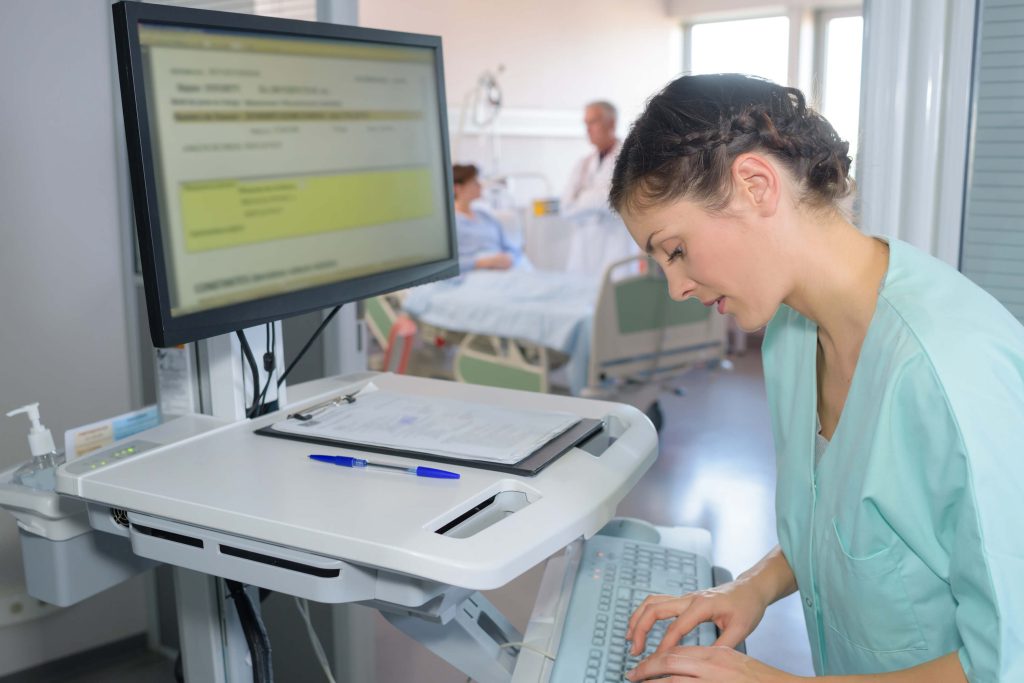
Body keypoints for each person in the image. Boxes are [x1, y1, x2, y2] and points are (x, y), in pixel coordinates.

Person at [608, 73, 1024, 682]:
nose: (677, 288)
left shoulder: (952, 373)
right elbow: (845, 529)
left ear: (755, 185)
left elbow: (1007, 663)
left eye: (675, 250)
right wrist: (752, 586)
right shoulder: (792, 338)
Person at [560, 100, 638, 275]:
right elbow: (566, 208)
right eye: (586, 123)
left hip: (616, 249)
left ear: (611, 123)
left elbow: (621, 204)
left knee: (614, 298)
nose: (587, 129)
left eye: (593, 122)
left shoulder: (630, 159)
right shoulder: (582, 165)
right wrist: (600, 197)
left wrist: (583, 197)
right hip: (583, 252)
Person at [452, 163, 526, 272]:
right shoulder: (450, 224)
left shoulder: (486, 217)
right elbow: (446, 266)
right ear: (457, 188)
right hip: (475, 276)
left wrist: (511, 258)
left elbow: (511, 249)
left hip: (505, 271)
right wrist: (480, 262)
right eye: (474, 182)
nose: (480, 186)